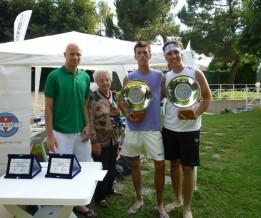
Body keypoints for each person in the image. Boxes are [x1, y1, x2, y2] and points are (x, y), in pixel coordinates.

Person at [44, 43, 97, 218]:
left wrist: (88, 124)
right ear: (64, 54)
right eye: (72, 54)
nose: (75, 57)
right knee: (60, 171)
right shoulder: (54, 76)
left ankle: (79, 204)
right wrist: (50, 136)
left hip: (81, 133)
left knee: (84, 168)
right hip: (60, 133)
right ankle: (62, 208)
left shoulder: (85, 77)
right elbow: (48, 109)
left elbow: (84, 104)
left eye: (78, 54)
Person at [162, 40, 212, 218]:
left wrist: (196, 114)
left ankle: (187, 208)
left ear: (181, 53)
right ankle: (177, 200)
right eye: (169, 54)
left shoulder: (195, 73)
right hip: (169, 128)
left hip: (190, 130)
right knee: (174, 166)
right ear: (166, 57)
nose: (173, 56)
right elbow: (156, 98)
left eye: (176, 52)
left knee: (188, 168)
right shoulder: (165, 77)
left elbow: (207, 98)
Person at [118, 41, 168, 218]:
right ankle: (139, 199)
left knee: (160, 165)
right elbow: (121, 101)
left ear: (150, 55)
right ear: (135, 56)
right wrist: (128, 113)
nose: (142, 55)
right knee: (135, 164)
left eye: (145, 52)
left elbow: (165, 94)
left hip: (153, 128)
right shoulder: (129, 77)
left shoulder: (159, 75)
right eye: (139, 53)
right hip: (133, 128)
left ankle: (160, 205)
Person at [90, 70, 122, 208]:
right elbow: (90, 121)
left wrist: (119, 138)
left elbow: (118, 117)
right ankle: (99, 196)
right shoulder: (93, 98)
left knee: (111, 165)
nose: (105, 82)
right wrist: (94, 141)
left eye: (107, 79)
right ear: (97, 82)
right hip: (101, 139)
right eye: (101, 80)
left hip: (114, 138)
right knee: (101, 167)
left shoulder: (113, 95)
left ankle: (109, 189)